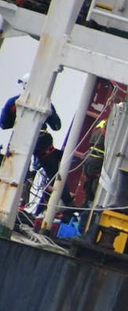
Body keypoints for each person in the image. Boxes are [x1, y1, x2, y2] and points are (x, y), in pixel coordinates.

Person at [2, 74, 73, 218]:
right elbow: (56, 126)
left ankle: (17, 203)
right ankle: (67, 203)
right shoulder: (46, 102)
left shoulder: (13, 102)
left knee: (18, 170)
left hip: (20, 138)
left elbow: (4, 124)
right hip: (42, 141)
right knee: (53, 173)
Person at [81, 117, 107, 206]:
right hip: (96, 160)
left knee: (89, 180)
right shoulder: (107, 127)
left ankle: (87, 203)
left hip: (89, 159)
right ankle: (91, 203)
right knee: (95, 183)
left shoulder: (100, 124)